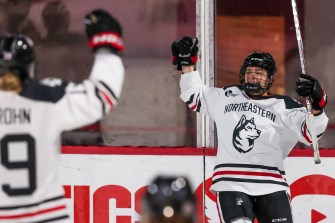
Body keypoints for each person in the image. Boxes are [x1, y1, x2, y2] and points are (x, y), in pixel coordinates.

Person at [171, 36, 329, 223]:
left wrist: (318, 105)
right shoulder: (227, 96)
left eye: (260, 72)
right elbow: (193, 95)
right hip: (232, 182)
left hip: (272, 184)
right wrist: (187, 64)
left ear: (270, 79)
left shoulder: (283, 105)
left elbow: (312, 133)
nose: (253, 75)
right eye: (250, 71)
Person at [0, 9, 125, 223]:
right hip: (46, 216)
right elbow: (102, 96)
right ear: (30, 66)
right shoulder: (48, 96)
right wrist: (106, 49)